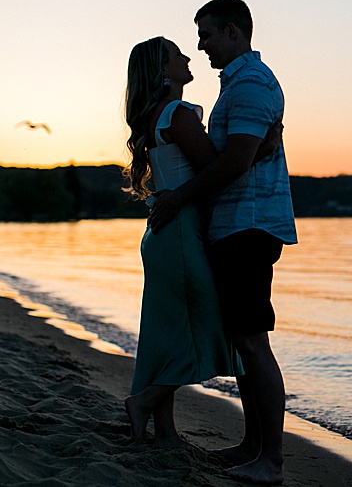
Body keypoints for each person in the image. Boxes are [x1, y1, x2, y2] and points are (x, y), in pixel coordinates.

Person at [148, 0, 297, 485]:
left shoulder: (251, 84)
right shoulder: (237, 85)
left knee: (253, 343)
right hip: (234, 224)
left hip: (249, 225)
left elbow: (233, 161)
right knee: (243, 342)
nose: (201, 46)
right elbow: (238, 154)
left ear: (234, 32)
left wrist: (176, 198)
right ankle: (252, 445)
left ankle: (271, 460)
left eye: (208, 35)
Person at [120, 37, 279, 448]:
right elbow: (218, 168)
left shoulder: (155, 115)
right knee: (210, 330)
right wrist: (265, 147)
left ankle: (166, 430)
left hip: (164, 232)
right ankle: (145, 402)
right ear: (162, 70)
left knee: (165, 334)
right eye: (176, 55)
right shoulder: (177, 115)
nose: (188, 57)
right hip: (181, 231)